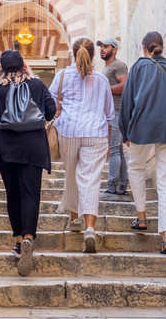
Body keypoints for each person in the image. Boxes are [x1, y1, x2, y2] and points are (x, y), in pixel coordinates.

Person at [0, 50, 56, 276]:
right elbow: (51, 111)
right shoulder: (37, 85)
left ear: (1, 68)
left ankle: (17, 239)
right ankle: (28, 237)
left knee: (13, 195)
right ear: (24, 65)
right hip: (33, 148)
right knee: (31, 194)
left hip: (7, 150)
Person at [120, 31, 166, 254]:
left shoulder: (139, 68)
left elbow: (127, 102)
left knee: (135, 167)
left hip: (141, 127)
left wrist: (125, 132)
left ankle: (141, 216)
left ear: (144, 48)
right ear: (161, 47)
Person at [49, 37, 114, 253]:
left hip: (69, 131)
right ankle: (90, 228)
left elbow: (49, 103)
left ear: (73, 53)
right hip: (96, 133)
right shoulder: (103, 81)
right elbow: (109, 115)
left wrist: (59, 109)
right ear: (93, 55)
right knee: (90, 180)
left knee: (72, 175)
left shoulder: (61, 76)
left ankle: (74, 218)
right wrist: (109, 143)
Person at [96, 38, 129, 200]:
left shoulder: (118, 65)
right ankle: (122, 185)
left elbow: (125, 85)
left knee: (114, 149)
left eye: (105, 46)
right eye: (101, 47)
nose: (102, 49)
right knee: (118, 149)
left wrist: (105, 89)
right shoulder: (108, 67)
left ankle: (111, 187)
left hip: (117, 111)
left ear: (114, 49)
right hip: (111, 113)